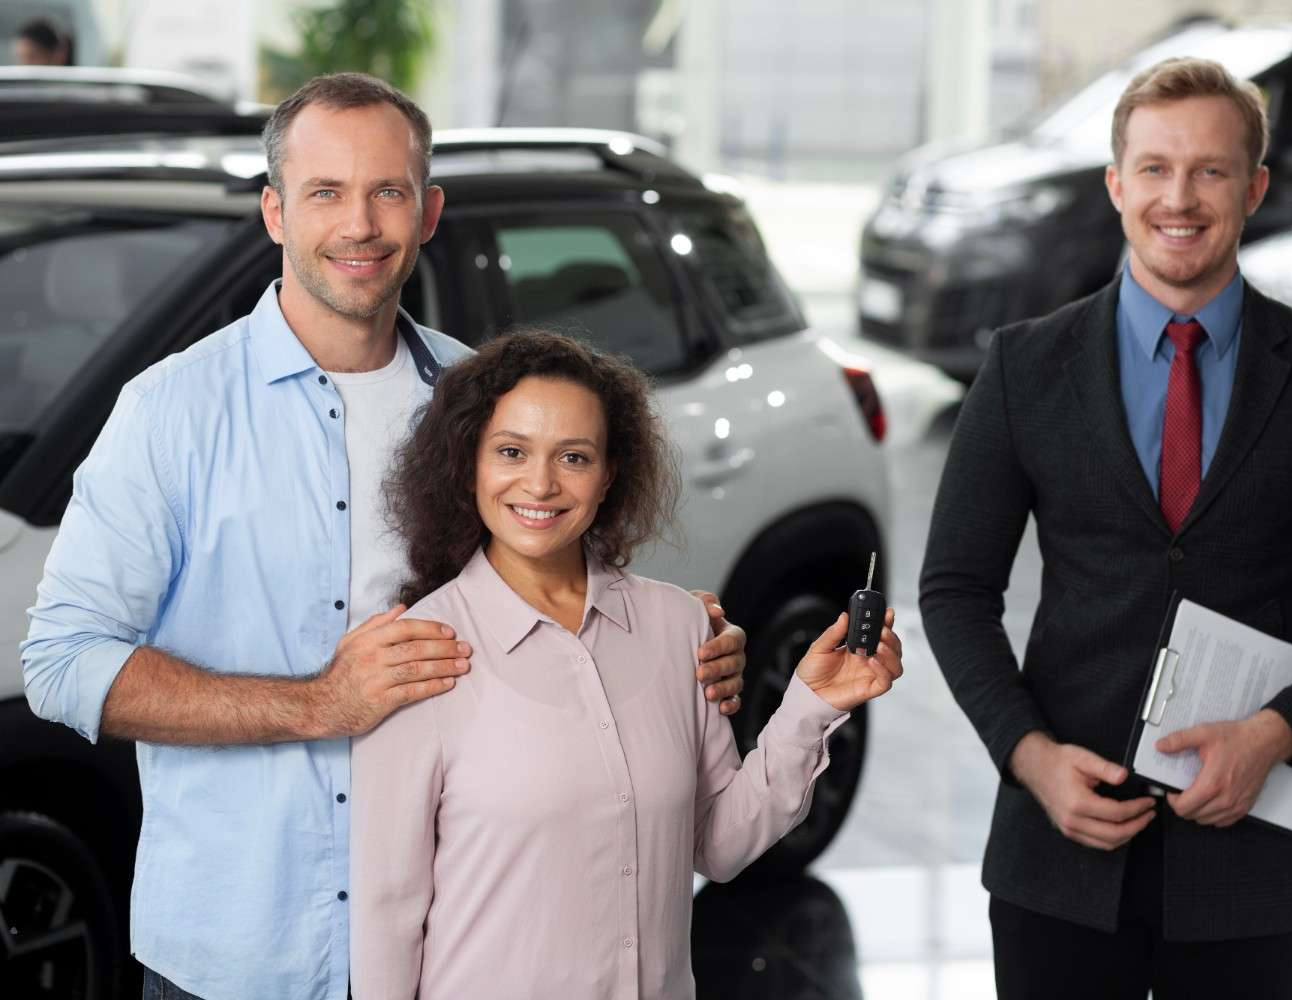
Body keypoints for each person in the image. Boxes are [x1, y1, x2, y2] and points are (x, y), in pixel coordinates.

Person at [20, 73, 748, 1000]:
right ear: (276, 212)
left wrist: (685, 648)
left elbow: (569, 604)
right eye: (326, 192)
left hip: (459, 949)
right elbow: (62, 663)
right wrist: (318, 703)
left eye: (387, 191)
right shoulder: (171, 413)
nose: (359, 225)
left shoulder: (477, 398)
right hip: (242, 957)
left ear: (429, 210)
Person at [920, 57, 1292, 1000]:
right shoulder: (1023, 368)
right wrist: (1027, 757)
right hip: (1060, 845)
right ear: (1117, 184)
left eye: (1210, 170)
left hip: (1251, 863)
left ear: (1254, 189)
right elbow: (956, 592)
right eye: (1156, 167)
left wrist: (1280, 735)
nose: (1181, 197)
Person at [349, 331, 903, 1000]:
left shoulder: (678, 627)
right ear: (469, 463)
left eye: (574, 456)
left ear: (610, 474)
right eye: (512, 451)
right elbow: (387, 909)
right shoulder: (418, 653)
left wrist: (810, 710)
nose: (541, 483)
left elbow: (720, 844)